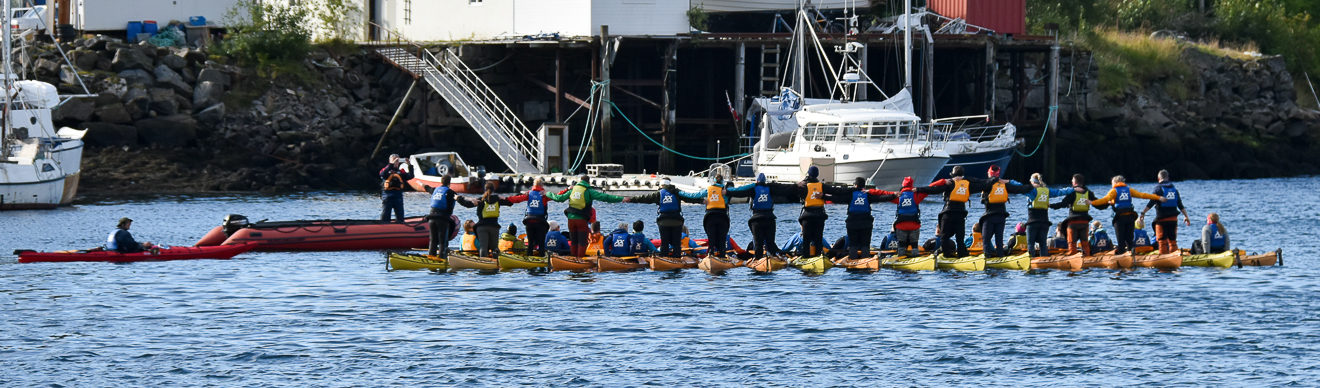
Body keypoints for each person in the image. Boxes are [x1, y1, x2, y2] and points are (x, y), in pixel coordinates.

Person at [923, 166, 996, 258]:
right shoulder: (968, 184)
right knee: (960, 238)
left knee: (944, 237)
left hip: (948, 213)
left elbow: (932, 188)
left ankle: (946, 256)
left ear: (953, 174)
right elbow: (983, 184)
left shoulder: (949, 183)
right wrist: (995, 180)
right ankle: (961, 255)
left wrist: (918, 189)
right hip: (961, 214)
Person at [545, 175, 624, 257]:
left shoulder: (573, 190)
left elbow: (559, 198)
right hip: (581, 220)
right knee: (582, 242)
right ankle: (580, 260)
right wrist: (620, 199)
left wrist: (548, 193)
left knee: (574, 241)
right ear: (588, 182)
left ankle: (573, 259)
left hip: (570, 220)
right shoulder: (589, 191)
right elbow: (605, 197)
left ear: (580, 181)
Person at [1090, 175, 1165, 255]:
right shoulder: (1129, 190)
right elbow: (1143, 195)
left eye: (1112, 183)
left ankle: (1123, 258)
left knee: (1121, 241)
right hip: (1130, 218)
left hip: (1120, 219)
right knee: (1129, 241)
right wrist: (1158, 197)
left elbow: (1104, 200)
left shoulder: (1114, 191)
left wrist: (1092, 202)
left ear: (1115, 182)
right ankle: (1132, 256)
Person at [727, 173, 795, 261]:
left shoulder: (753, 189)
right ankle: (774, 259)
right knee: (770, 243)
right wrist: (796, 186)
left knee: (758, 244)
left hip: (756, 220)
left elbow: (741, 192)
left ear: (757, 181)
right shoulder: (770, 188)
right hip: (770, 219)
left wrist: (727, 192)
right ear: (765, 181)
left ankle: (758, 260)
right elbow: (783, 188)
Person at [626, 177, 700, 257]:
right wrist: (702, 201)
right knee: (676, 243)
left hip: (663, 222)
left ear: (661, 185)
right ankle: (677, 261)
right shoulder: (677, 192)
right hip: (677, 221)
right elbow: (689, 198)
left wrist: (631, 199)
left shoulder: (659, 193)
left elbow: (645, 198)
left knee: (664, 243)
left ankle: (664, 259)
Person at [976, 165, 1033, 258]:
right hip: (1001, 216)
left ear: (989, 173)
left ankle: (987, 258)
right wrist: (1031, 187)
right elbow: (1019, 189)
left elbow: (973, 184)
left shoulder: (986, 184)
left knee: (986, 240)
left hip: (989, 217)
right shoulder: (1004, 185)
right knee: (999, 240)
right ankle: (1000, 257)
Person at [869, 176, 932, 257]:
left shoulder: (898, 196)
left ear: (903, 185)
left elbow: (883, 193)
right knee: (914, 246)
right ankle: (915, 260)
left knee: (901, 246)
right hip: (914, 225)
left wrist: (870, 191)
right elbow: (930, 189)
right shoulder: (917, 196)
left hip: (901, 225)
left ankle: (900, 259)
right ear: (912, 185)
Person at [1021, 173, 1079, 257]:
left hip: (1033, 223)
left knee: (1030, 243)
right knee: (1043, 244)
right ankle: (1044, 263)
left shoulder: (1031, 191)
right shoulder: (1047, 191)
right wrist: (1074, 189)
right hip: (1045, 223)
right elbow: (1060, 192)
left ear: (1033, 182)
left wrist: (1007, 183)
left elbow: (1018, 188)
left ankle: (1031, 262)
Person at [1049, 174, 1107, 256]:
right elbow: (1098, 204)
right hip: (1084, 222)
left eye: (1072, 180)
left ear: (1075, 183)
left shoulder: (1072, 192)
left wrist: (1050, 205)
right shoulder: (1089, 193)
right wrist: (1108, 203)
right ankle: (1087, 257)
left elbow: (1062, 204)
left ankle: (1073, 256)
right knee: (1085, 243)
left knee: (1072, 242)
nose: (1071, 182)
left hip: (1073, 223)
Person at [1140, 169, 1192, 254]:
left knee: (1162, 241)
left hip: (1161, 219)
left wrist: (1143, 213)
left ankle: (1164, 261)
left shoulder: (1158, 188)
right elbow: (1180, 205)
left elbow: (1151, 202)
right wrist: (1186, 216)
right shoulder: (1174, 189)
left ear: (1158, 178)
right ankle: (1174, 257)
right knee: (1172, 241)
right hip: (1173, 219)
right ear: (1168, 177)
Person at [426, 175, 475, 258]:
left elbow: (427, 188)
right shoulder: (450, 192)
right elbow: (463, 202)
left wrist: (421, 184)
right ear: (449, 182)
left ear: (441, 182)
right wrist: (474, 204)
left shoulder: (435, 190)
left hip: (431, 218)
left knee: (433, 240)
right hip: (442, 219)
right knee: (442, 242)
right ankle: (442, 259)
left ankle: (431, 257)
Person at [793, 166, 836, 256]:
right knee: (818, 239)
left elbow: (794, 192)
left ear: (808, 173)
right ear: (817, 175)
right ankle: (818, 256)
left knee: (806, 240)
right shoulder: (822, 186)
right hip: (819, 216)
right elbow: (836, 191)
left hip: (807, 216)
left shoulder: (804, 185)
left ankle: (806, 257)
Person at [505, 178, 552, 256]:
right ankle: (542, 262)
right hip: (540, 222)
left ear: (533, 185)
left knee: (530, 243)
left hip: (529, 222)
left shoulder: (529, 194)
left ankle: (529, 260)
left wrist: (506, 199)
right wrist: (567, 190)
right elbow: (558, 197)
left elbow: (518, 199)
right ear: (542, 185)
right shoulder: (544, 195)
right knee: (541, 243)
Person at [472, 182, 515, 258]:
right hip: (494, 227)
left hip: (481, 227)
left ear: (485, 189)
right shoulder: (497, 199)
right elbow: (510, 203)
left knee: (483, 248)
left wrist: (458, 198)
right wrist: (505, 198)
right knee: (494, 248)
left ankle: (483, 264)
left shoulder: (481, 199)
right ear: (493, 189)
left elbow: (475, 211)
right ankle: (496, 263)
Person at [379, 154, 414, 223]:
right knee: (385, 216)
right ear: (390, 161)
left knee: (400, 217)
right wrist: (391, 164)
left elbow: (411, 176)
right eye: (394, 160)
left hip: (398, 196)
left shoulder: (401, 171)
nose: (396, 162)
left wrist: (409, 165)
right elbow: (382, 174)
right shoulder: (386, 170)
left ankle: (400, 225)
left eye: (397, 160)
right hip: (387, 196)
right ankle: (384, 226)